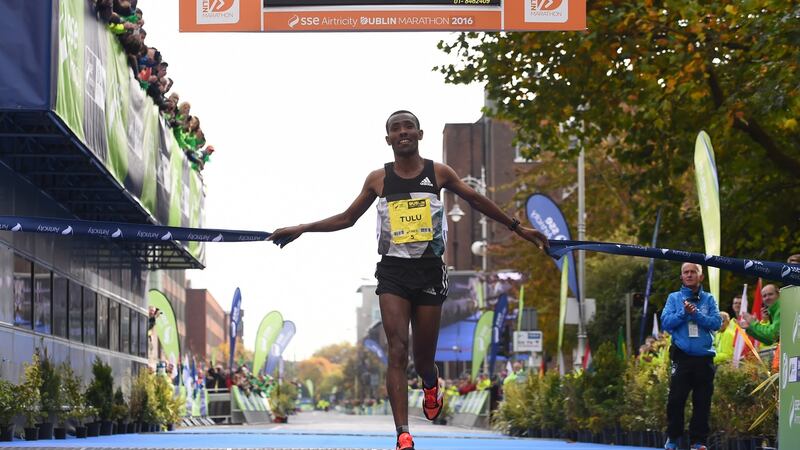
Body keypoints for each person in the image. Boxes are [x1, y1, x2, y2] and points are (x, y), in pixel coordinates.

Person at [268, 110, 548, 450]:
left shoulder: (439, 173)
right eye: (395, 128)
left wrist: (519, 229)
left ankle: (431, 384)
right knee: (397, 350)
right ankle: (403, 432)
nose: (402, 132)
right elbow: (347, 218)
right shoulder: (378, 180)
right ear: (387, 139)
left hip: (430, 271)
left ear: (419, 134)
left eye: (408, 127)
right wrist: (302, 228)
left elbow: (476, 200)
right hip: (393, 272)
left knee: (423, 357)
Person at [660, 263, 721, 450]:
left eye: (693, 272)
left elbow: (717, 323)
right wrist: (684, 314)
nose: (689, 275)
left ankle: (699, 442)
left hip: (704, 359)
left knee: (702, 401)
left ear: (700, 276)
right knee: (676, 399)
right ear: (681, 277)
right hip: (682, 356)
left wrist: (696, 315)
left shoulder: (709, 299)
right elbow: (666, 322)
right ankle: (673, 439)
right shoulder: (674, 298)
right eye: (685, 272)